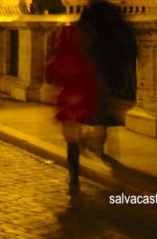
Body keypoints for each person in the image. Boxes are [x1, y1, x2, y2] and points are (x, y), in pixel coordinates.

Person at [78, 0, 136, 160]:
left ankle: (91, 140)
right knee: (102, 105)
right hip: (111, 65)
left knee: (92, 105)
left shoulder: (88, 15)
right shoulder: (115, 12)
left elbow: (80, 40)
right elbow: (126, 37)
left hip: (92, 66)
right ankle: (100, 142)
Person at [46, 24, 99, 196]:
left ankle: (74, 174)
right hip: (81, 101)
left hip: (67, 102)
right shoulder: (83, 59)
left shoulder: (59, 60)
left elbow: (51, 75)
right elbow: (90, 79)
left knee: (70, 141)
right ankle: (84, 142)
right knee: (77, 132)